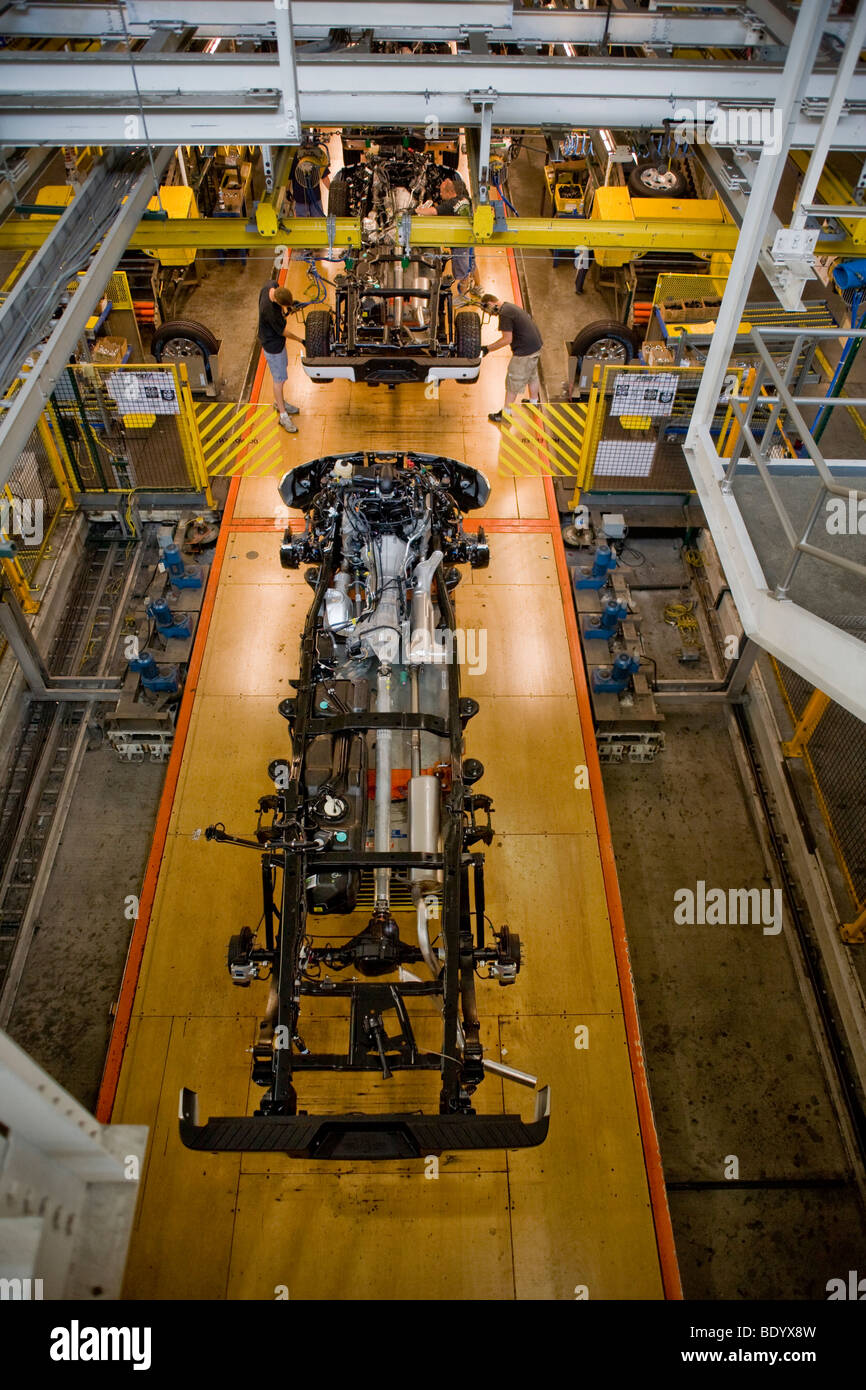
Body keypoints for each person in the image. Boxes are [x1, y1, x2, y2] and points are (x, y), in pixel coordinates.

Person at [478, 294, 544, 424]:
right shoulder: (509, 306)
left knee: (512, 380)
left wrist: (487, 349)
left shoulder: (505, 314)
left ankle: (506, 414)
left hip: (525, 350)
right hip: (535, 345)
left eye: (488, 311)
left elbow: (507, 339)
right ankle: (533, 402)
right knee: (532, 375)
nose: (491, 315)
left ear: (491, 303)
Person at [416, 177, 477, 299]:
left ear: (450, 192)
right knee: (471, 263)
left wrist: (416, 210)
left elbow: (433, 212)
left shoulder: (450, 204)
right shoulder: (464, 198)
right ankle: (478, 287)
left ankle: (463, 298)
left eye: (442, 192)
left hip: (459, 243)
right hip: (470, 238)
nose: (441, 195)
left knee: (462, 274)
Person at [257, 281, 304, 433]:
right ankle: (283, 415)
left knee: (282, 375)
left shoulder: (269, 286)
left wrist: (289, 308)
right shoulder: (269, 312)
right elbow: (283, 331)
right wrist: (301, 340)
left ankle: (280, 402)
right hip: (273, 346)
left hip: (276, 343)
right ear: (276, 301)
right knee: (279, 379)